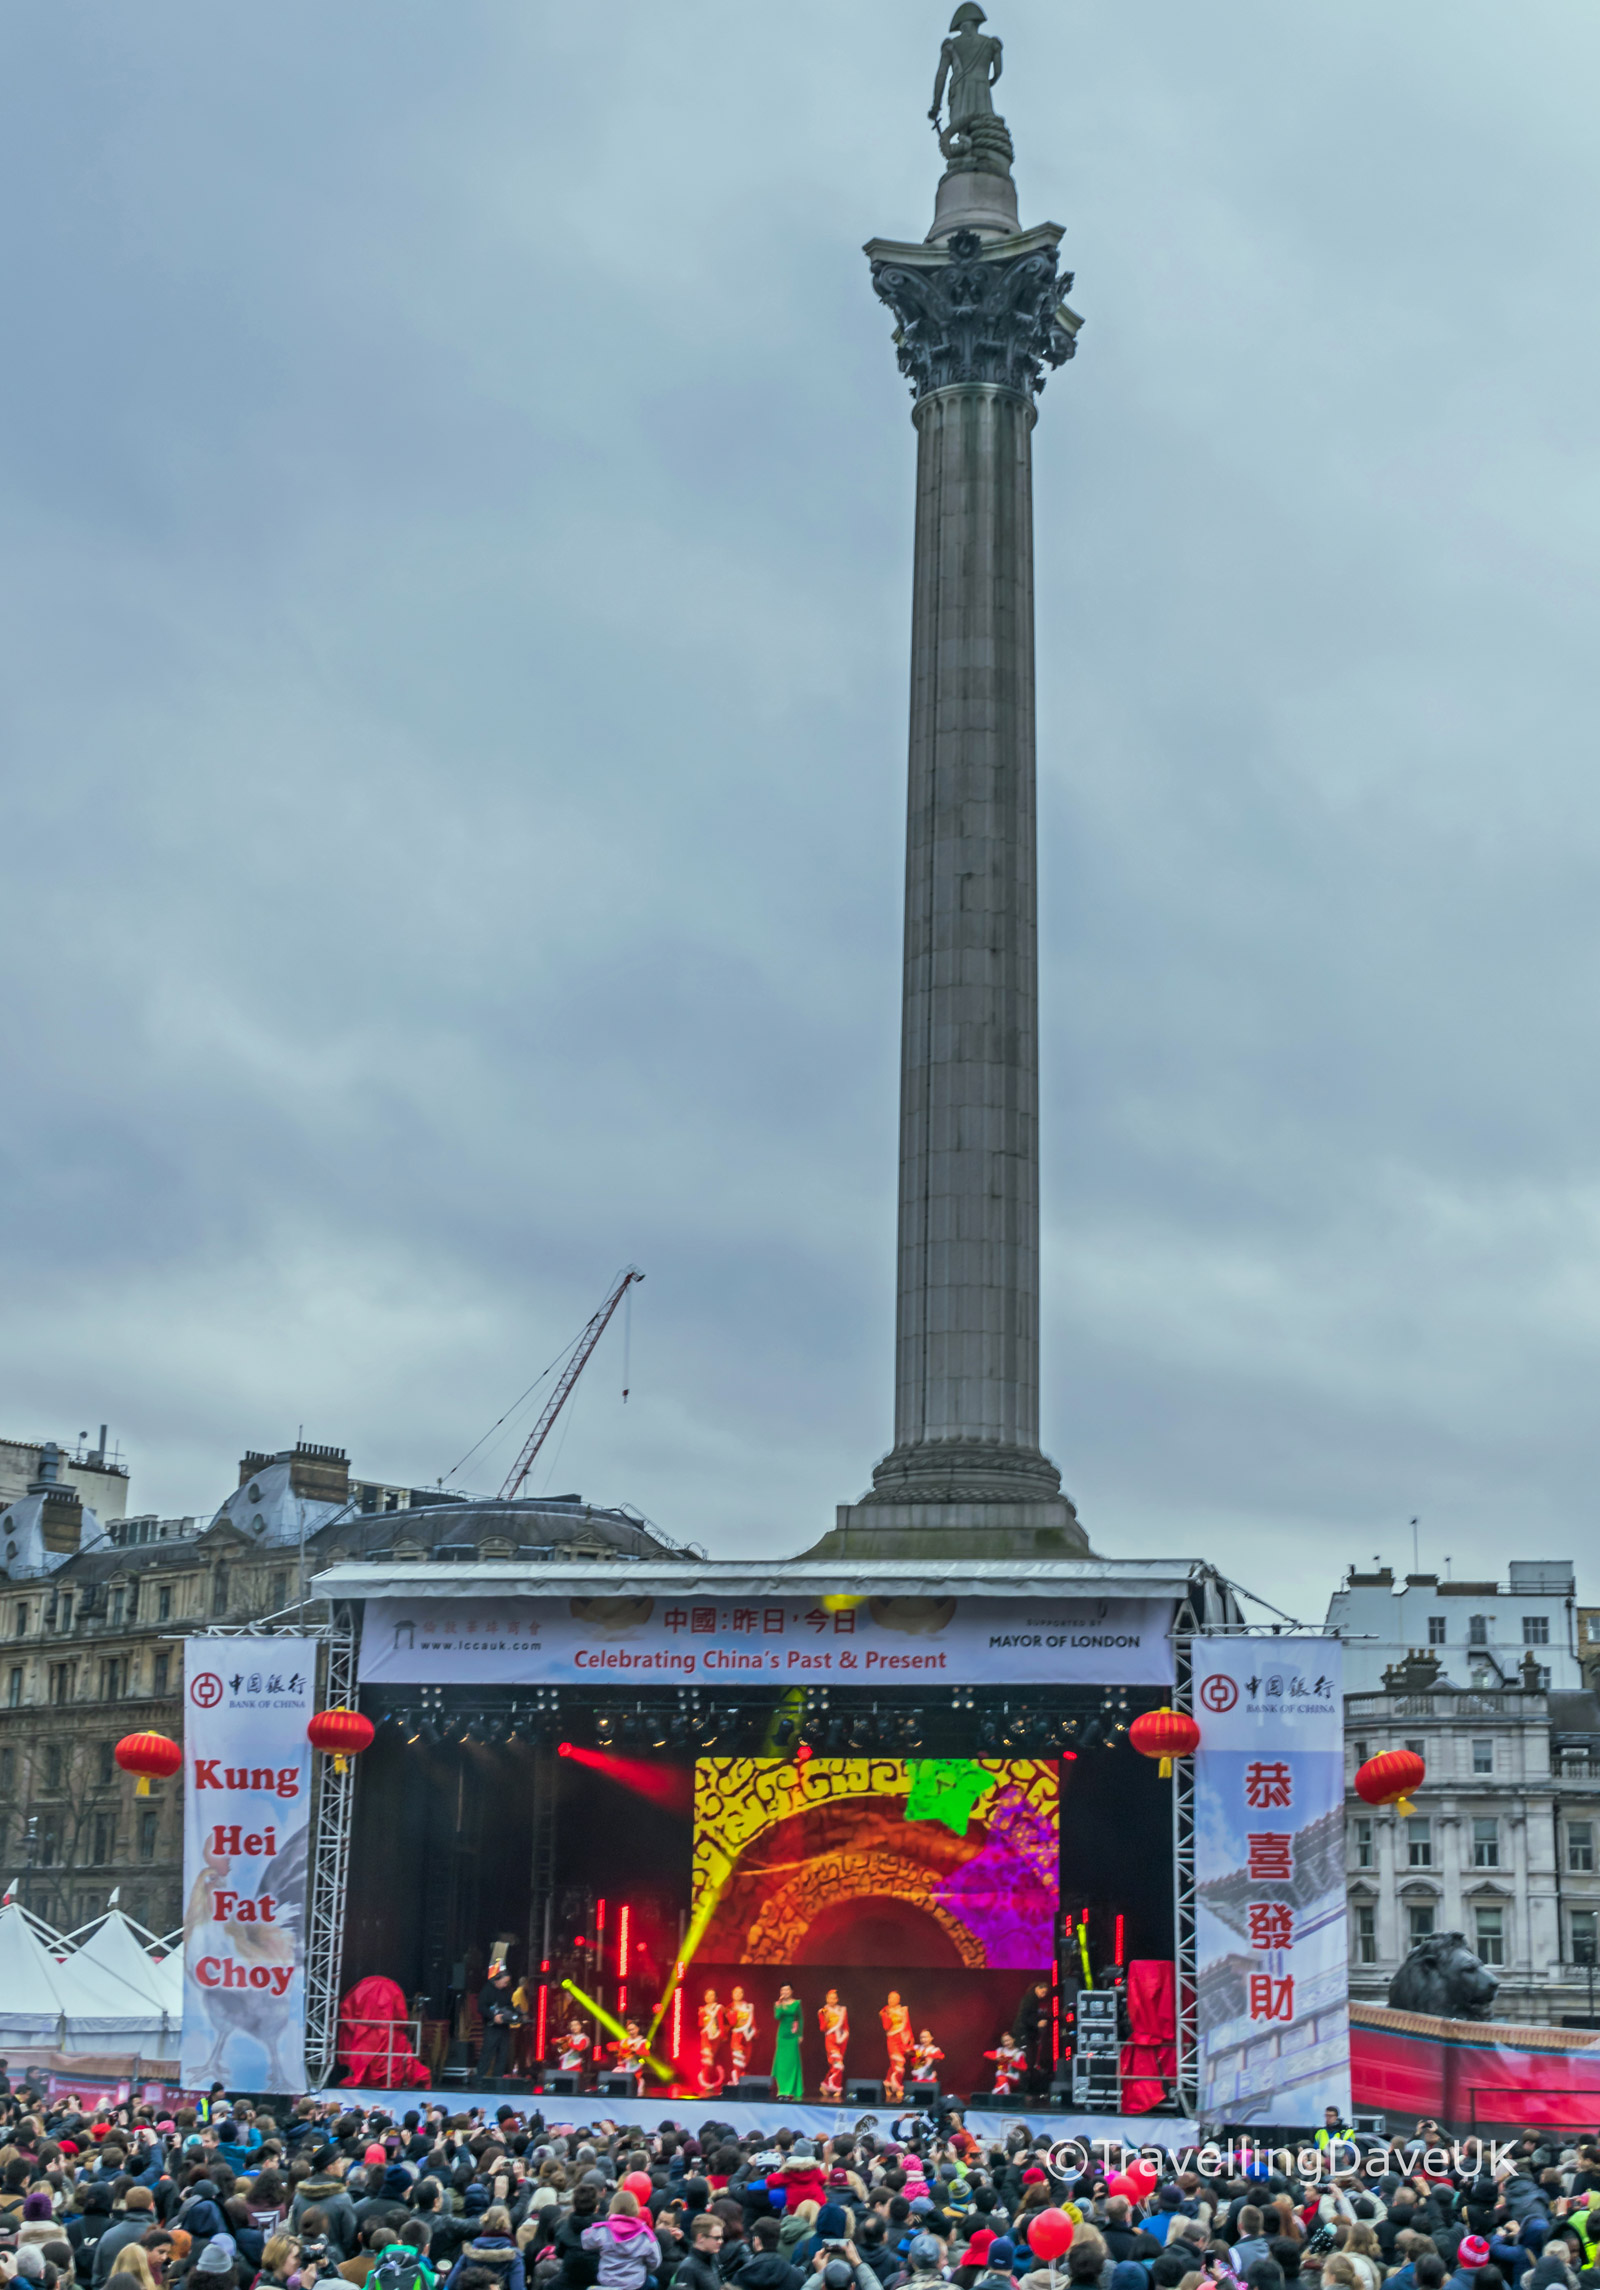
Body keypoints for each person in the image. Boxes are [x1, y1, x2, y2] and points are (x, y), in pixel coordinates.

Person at [580, 2193, 660, 2290]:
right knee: (653, 2282)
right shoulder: (645, 2236)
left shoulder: (603, 2231)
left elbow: (585, 2241)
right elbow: (655, 2262)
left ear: (612, 2208)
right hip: (635, 2285)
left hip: (606, 2283)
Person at [478, 1969, 518, 2082]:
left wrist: (515, 2015)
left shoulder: (506, 1991)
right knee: (487, 2054)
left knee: (503, 2054)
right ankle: (480, 2080)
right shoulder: (487, 1990)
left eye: (507, 1982)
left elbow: (509, 2006)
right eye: (504, 1982)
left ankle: (497, 2080)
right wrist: (493, 2017)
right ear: (498, 1979)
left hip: (504, 2027)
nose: (505, 1984)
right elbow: (481, 2007)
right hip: (492, 2027)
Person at [772, 1986, 804, 2101]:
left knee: (792, 2062)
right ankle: (782, 2089)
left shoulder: (796, 2003)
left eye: (787, 1990)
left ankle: (791, 2089)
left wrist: (800, 2034)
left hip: (793, 2036)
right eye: (782, 1990)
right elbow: (777, 2016)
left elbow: (800, 2018)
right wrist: (780, 2004)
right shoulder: (778, 2004)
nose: (785, 1992)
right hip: (782, 2036)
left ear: (791, 1991)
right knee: (781, 2063)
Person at [880, 1995, 912, 2101]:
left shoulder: (903, 2010)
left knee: (895, 2064)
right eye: (889, 1998)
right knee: (899, 2062)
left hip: (902, 2038)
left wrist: (910, 2038)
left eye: (894, 1998)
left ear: (899, 1999)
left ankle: (888, 2083)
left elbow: (907, 2025)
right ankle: (898, 2086)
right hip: (892, 2039)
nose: (891, 2000)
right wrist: (887, 2015)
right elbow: (886, 2026)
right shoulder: (885, 2011)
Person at [819, 1994, 849, 2101]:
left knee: (837, 2064)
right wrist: (826, 2019)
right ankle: (834, 2086)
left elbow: (845, 2026)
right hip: (830, 2039)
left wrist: (843, 2038)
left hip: (840, 2038)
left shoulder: (842, 2010)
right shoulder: (823, 2011)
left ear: (837, 1999)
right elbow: (822, 2028)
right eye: (829, 1998)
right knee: (837, 2064)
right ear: (826, 1999)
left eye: (834, 1998)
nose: (831, 2000)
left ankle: (827, 2085)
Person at [699, 1991, 727, 2097]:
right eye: (707, 1995)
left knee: (712, 2060)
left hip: (716, 2036)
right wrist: (701, 2014)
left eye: (711, 1995)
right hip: (705, 2036)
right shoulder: (703, 2009)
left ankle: (711, 2081)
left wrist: (722, 2036)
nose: (709, 1997)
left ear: (716, 1997)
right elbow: (701, 2024)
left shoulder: (718, 2008)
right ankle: (707, 2082)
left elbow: (720, 2022)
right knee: (707, 2059)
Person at [728, 1990, 758, 2085]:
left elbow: (752, 2020)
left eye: (740, 1992)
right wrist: (734, 2012)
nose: (738, 1994)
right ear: (732, 1995)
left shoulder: (748, 2006)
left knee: (746, 2060)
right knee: (737, 2059)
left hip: (747, 2036)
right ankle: (737, 2080)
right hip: (736, 2036)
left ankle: (742, 2079)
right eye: (735, 1993)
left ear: (743, 1994)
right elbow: (732, 2023)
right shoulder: (730, 2008)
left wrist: (755, 2032)